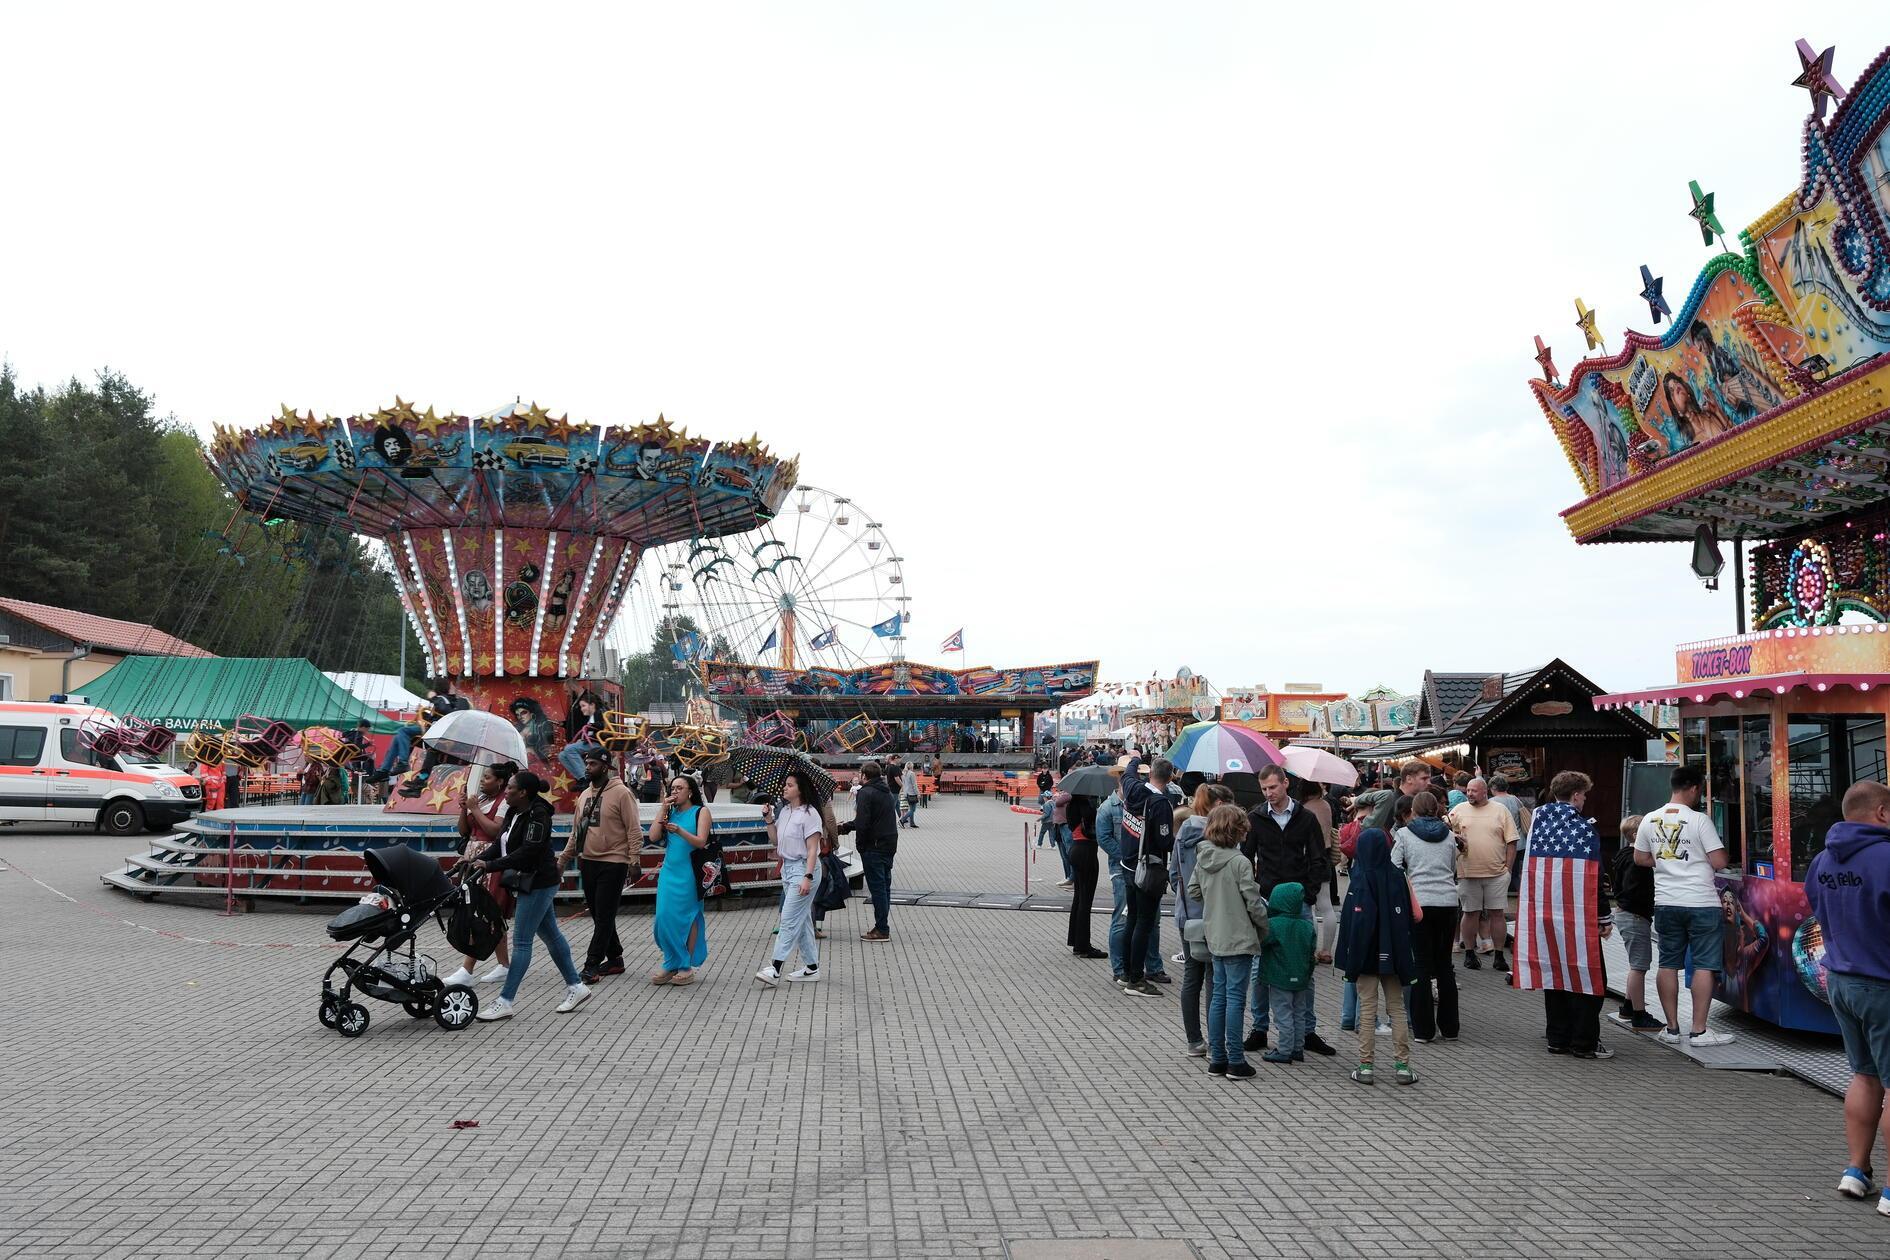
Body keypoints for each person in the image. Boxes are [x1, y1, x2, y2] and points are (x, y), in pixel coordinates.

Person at [1806, 780, 1890, 1210]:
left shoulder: (1822, 860)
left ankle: (1856, 1170)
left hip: (1840, 979)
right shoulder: (1887, 857)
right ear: (1880, 813)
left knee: (1864, 1075)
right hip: (1884, 982)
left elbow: (1817, 911)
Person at [472, 770, 592, 1020]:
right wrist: (477, 859)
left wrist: (491, 866)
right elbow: (502, 843)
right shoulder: (514, 812)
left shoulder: (538, 816)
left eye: (510, 788)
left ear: (523, 792)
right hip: (528, 880)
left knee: (523, 941)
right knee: (550, 934)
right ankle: (576, 986)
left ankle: (505, 1000)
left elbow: (528, 852)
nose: (506, 791)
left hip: (539, 882)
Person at [1513, 771, 1615, 1059]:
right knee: (1589, 976)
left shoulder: (1538, 825)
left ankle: (1557, 1038)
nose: (1584, 799)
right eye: (1584, 795)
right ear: (1575, 795)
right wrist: (1604, 917)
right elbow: (1594, 876)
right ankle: (1584, 1042)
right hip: (1576, 917)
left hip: (1543, 913)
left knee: (1554, 974)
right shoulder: (1583, 829)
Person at [1634, 765, 1735, 1046]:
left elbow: (1640, 859)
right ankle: (1700, 1031)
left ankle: (1672, 1028)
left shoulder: (1649, 819)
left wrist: (1668, 862)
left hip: (1666, 901)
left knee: (1667, 963)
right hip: (1701, 902)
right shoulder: (1699, 820)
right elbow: (1719, 862)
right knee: (1704, 964)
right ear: (1693, 788)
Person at [1242, 764, 1335, 1056]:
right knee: (1260, 967)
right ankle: (1259, 1028)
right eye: (1264, 789)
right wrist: (1255, 892)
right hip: (1268, 901)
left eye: (1273, 787)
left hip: (1297, 904)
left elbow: (1319, 857)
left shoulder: (1305, 818)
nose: (1269, 793)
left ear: (1285, 784)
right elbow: (1246, 857)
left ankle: (1306, 1030)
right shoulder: (1256, 817)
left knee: (1303, 966)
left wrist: (1307, 894)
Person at [1187, 803, 1267, 1078]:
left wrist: (1215, 900)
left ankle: (1218, 1057)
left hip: (1214, 934)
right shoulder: (1239, 862)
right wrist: (1264, 925)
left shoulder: (1203, 856)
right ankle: (1235, 1059)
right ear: (1236, 830)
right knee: (1235, 999)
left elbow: (1193, 890)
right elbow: (1253, 902)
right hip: (1239, 934)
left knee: (1219, 997)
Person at [1336, 827, 1418, 1086]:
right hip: (1394, 953)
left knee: (1368, 1010)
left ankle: (1366, 1066)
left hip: (1365, 955)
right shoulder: (1398, 876)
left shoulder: (1358, 878)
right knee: (1397, 1008)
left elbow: (1351, 922)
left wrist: (1349, 957)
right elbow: (1411, 916)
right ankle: (1403, 1067)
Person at [557, 749, 641, 984]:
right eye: (586, 763)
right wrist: (563, 860)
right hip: (588, 861)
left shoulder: (622, 793)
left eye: (592, 764)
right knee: (598, 914)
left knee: (604, 916)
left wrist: (635, 859)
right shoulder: (584, 795)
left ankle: (591, 965)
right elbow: (576, 832)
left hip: (614, 862)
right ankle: (615, 959)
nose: (587, 768)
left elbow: (633, 828)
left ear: (605, 767)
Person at [1393, 790, 1461, 1043]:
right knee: (1444, 965)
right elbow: (1453, 868)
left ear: (1415, 811)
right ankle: (1450, 1027)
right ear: (1437, 809)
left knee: (1420, 964)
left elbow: (1395, 866)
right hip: (1447, 902)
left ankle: (1423, 1030)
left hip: (1420, 903)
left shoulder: (1404, 834)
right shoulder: (1449, 836)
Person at [1173, 783, 1235, 1054]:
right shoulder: (1219, 837)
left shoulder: (1182, 831)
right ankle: (1216, 1042)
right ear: (1220, 805)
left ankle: (1194, 1041)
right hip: (1216, 915)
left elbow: (1173, 873)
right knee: (1215, 978)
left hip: (1187, 916)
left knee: (1192, 976)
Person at [444, 760, 518, 988]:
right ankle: (504, 965)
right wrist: (465, 808)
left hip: (490, 861)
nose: (483, 781)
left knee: (482, 913)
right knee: (490, 914)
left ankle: (467, 969)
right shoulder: (482, 800)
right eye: (483, 777)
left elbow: (495, 831)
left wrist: (475, 809)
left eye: (487, 777)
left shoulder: (504, 803)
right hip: (472, 859)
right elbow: (464, 830)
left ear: (500, 782)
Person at [758, 767, 827, 986]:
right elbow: (776, 841)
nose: (785, 788)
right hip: (788, 869)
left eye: (790, 785)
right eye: (785, 785)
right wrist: (769, 819)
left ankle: (775, 968)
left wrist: (807, 876)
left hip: (804, 869)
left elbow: (812, 849)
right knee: (802, 920)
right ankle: (812, 968)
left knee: (788, 919)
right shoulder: (785, 811)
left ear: (800, 789)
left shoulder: (810, 814)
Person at [1118, 755, 1177, 997]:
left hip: (1128, 864)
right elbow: (1164, 841)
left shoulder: (1132, 788)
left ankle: (1125, 972)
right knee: (1144, 923)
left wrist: (1134, 759)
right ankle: (1136, 980)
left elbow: (1128, 773)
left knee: (1132, 919)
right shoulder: (1160, 803)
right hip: (1148, 868)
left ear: (1149, 772)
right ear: (1170, 777)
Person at [1449, 777, 1519, 973]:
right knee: (1470, 913)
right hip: (1468, 872)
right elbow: (1446, 832)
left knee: (1497, 913)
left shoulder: (1500, 810)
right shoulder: (1459, 810)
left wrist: (1508, 869)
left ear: (1485, 791)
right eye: (1468, 790)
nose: (1469, 794)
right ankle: (1470, 953)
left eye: (1473, 791)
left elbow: (1512, 841)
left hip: (1496, 873)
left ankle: (1499, 955)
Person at [649, 774, 712, 984]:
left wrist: (680, 831)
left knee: (689, 917)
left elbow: (701, 842)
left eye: (679, 788)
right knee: (663, 918)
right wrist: (662, 809)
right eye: (672, 788)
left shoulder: (701, 812)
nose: (674, 792)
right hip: (669, 872)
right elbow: (653, 837)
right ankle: (671, 960)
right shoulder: (670, 813)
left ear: (690, 792)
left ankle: (685, 965)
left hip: (691, 873)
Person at [1607, 813, 1664, 1032]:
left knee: (1637, 964)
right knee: (1639, 967)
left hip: (1626, 914)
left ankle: (1628, 1007)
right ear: (1636, 835)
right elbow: (1632, 890)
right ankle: (1639, 1014)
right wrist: (1645, 906)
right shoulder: (1636, 861)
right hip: (1634, 916)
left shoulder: (1623, 855)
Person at [838, 761, 899, 941]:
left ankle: (882, 929)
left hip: (874, 845)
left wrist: (860, 844)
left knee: (877, 888)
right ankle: (882, 925)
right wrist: (849, 826)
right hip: (889, 843)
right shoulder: (886, 791)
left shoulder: (865, 793)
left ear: (864, 776)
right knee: (885, 887)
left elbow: (863, 822)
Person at [1258, 880, 1315, 1065]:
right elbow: (1311, 954)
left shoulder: (1274, 924)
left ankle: (1284, 1050)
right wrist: (1307, 974)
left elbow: (1262, 942)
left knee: (1283, 1014)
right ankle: (1297, 1048)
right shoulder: (1307, 927)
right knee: (1299, 1013)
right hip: (1301, 978)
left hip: (1279, 977)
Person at [1298, 780, 1341, 965]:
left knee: (1309, 906)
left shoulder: (1304, 809)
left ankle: (1313, 950)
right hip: (1324, 858)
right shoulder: (1326, 805)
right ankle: (1327, 951)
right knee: (1326, 906)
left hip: (1308, 860)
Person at [1065, 793, 1105, 958]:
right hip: (1086, 850)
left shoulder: (1071, 804)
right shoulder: (1085, 806)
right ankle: (1083, 945)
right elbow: (1093, 821)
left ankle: (1075, 940)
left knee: (1078, 898)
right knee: (1085, 901)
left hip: (1076, 848)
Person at [557, 690, 606, 783]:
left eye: (583, 706)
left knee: (569, 749)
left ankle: (585, 776)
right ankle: (580, 778)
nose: (581, 709)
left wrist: (593, 726)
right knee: (562, 755)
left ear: (592, 705)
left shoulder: (600, 713)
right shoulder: (590, 717)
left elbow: (605, 726)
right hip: (591, 742)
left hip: (598, 744)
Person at [1050, 786, 1074, 888]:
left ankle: (1073, 879)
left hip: (1066, 825)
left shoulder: (1070, 793)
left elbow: (1057, 802)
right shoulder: (1064, 794)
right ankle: (1068, 877)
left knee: (1070, 853)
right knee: (1064, 855)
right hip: (1059, 825)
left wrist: (1057, 797)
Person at [900, 760, 921, 829]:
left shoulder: (904, 773)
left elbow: (904, 784)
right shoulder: (911, 774)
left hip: (906, 793)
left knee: (911, 808)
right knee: (912, 810)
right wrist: (918, 793)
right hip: (912, 793)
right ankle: (902, 820)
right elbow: (914, 785)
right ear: (912, 766)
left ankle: (912, 823)